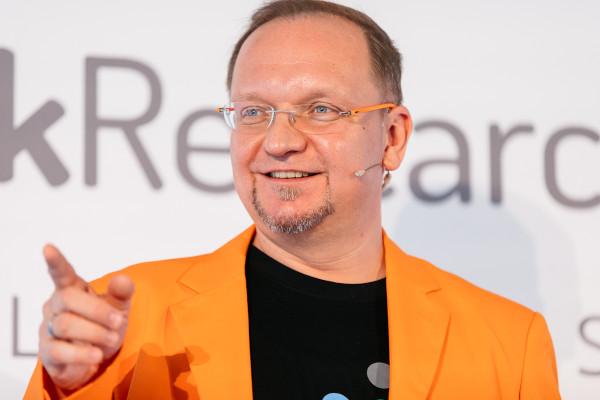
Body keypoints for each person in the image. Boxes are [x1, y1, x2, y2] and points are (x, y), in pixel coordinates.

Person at [25, 0, 561, 399]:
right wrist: (69, 390)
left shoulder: (508, 344)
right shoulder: (121, 320)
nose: (279, 142)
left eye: (321, 109)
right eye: (254, 112)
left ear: (392, 138)